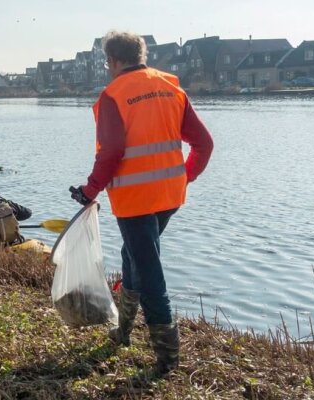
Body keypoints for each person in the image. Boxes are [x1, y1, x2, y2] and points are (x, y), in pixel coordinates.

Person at [70, 30, 213, 375]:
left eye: (107, 61)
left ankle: (167, 361)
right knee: (133, 255)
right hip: (169, 196)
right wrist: (185, 176)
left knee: (149, 271)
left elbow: (112, 152)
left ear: (114, 60)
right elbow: (204, 144)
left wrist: (89, 191)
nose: (107, 67)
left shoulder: (113, 95)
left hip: (135, 199)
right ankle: (123, 331)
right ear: (141, 55)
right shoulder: (170, 85)